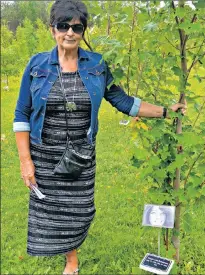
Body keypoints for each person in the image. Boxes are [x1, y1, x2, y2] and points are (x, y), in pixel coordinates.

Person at [13, 1, 187, 274]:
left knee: (78, 210)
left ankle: (72, 253)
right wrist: (26, 161)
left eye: (76, 27)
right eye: (63, 26)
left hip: (81, 155)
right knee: (54, 212)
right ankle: (71, 260)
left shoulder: (97, 65)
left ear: (83, 30)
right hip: (44, 154)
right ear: (52, 29)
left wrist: (166, 111)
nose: (69, 32)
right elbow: (22, 114)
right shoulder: (36, 65)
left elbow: (123, 101)